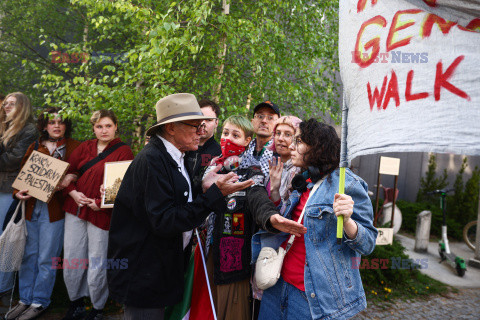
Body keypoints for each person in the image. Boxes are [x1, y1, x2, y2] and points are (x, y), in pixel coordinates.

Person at [107, 93, 283, 320]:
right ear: (171, 128)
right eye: (195, 126)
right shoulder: (153, 160)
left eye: (203, 125)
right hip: (144, 274)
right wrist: (214, 196)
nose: (202, 131)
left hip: (159, 270)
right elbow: (166, 220)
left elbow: (178, 199)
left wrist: (201, 187)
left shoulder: (178, 156)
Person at [253, 119, 378, 320]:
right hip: (278, 285)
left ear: (318, 147)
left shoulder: (348, 184)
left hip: (311, 298)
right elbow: (286, 226)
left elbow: (368, 242)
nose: (291, 146)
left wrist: (347, 221)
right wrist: (275, 191)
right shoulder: (305, 181)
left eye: (299, 141)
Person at [201, 115, 306, 320]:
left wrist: (271, 216)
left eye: (235, 135)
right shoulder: (211, 168)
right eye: (225, 133)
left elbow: (258, 199)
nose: (228, 139)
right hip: (209, 252)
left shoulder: (254, 172)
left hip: (239, 259)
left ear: (247, 141)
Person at [5, 108, 81, 320]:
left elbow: (83, 171)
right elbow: (21, 176)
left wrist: (73, 175)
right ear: (44, 126)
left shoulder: (74, 147)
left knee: (47, 257)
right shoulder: (34, 146)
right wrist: (16, 193)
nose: (56, 126)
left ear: (66, 125)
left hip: (54, 210)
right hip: (31, 208)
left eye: (60, 122)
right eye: (51, 122)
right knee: (28, 256)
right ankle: (25, 299)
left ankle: (40, 302)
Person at [62, 110, 134, 320]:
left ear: (116, 127)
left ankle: (97, 308)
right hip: (75, 208)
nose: (104, 130)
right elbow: (70, 172)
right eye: (99, 126)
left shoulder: (124, 152)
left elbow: (123, 189)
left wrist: (99, 204)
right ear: (93, 128)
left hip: (101, 214)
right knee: (73, 257)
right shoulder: (85, 147)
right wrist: (74, 194)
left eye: (108, 126)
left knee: (97, 261)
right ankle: (75, 303)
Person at [0, 92, 38, 296]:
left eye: (12, 104)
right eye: (5, 103)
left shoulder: (28, 129)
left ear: (22, 106)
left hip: (9, 189)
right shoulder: (4, 126)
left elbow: (14, 159)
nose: (6, 106)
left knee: (5, 237)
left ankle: (3, 287)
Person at [186, 99, 222, 194]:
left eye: (208, 120)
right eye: (200, 119)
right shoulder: (183, 147)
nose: (203, 123)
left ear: (216, 123)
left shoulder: (220, 153)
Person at [240, 101, 280, 183]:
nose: (264, 121)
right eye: (260, 116)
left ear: (277, 124)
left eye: (270, 117)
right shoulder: (242, 150)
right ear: (252, 121)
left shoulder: (280, 154)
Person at [268, 115, 302, 210]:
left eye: (287, 134)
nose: (280, 138)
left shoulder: (299, 171)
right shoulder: (272, 164)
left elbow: (287, 212)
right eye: (278, 133)